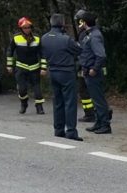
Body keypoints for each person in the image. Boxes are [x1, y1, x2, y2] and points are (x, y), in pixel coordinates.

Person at [40, 13, 82, 141]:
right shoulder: (65, 39)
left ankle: (58, 129)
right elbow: (78, 50)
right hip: (66, 72)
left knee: (57, 101)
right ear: (62, 24)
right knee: (70, 102)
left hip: (52, 71)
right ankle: (71, 131)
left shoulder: (44, 38)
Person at [6, 17, 47, 115]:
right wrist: (9, 66)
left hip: (34, 67)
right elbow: (9, 52)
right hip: (21, 67)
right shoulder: (16, 38)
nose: (27, 29)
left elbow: (43, 54)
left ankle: (39, 107)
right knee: (22, 89)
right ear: (21, 29)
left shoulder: (37, 38)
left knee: (37, 89)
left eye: (29, 27)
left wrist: (43, 68)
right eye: (25, 28)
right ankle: (24, 103)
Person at [79, 12, 111, 134]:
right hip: (88, 71)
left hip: (94, 73)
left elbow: (101, 55)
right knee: (95, 99)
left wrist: (94, 69)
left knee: (99, 100)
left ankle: (105, 125)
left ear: (85, 22)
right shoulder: (90, 34)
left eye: (81, 21)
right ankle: (98, 123)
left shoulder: (94, 36)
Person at [74, 9, 95, 123]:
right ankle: (98, 111)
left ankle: (90, 113)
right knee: (92, 90)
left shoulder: (84, 34)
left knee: (84, 90)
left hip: (86, 66)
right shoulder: (92, 32)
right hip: (89, 66)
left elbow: (82, 51)